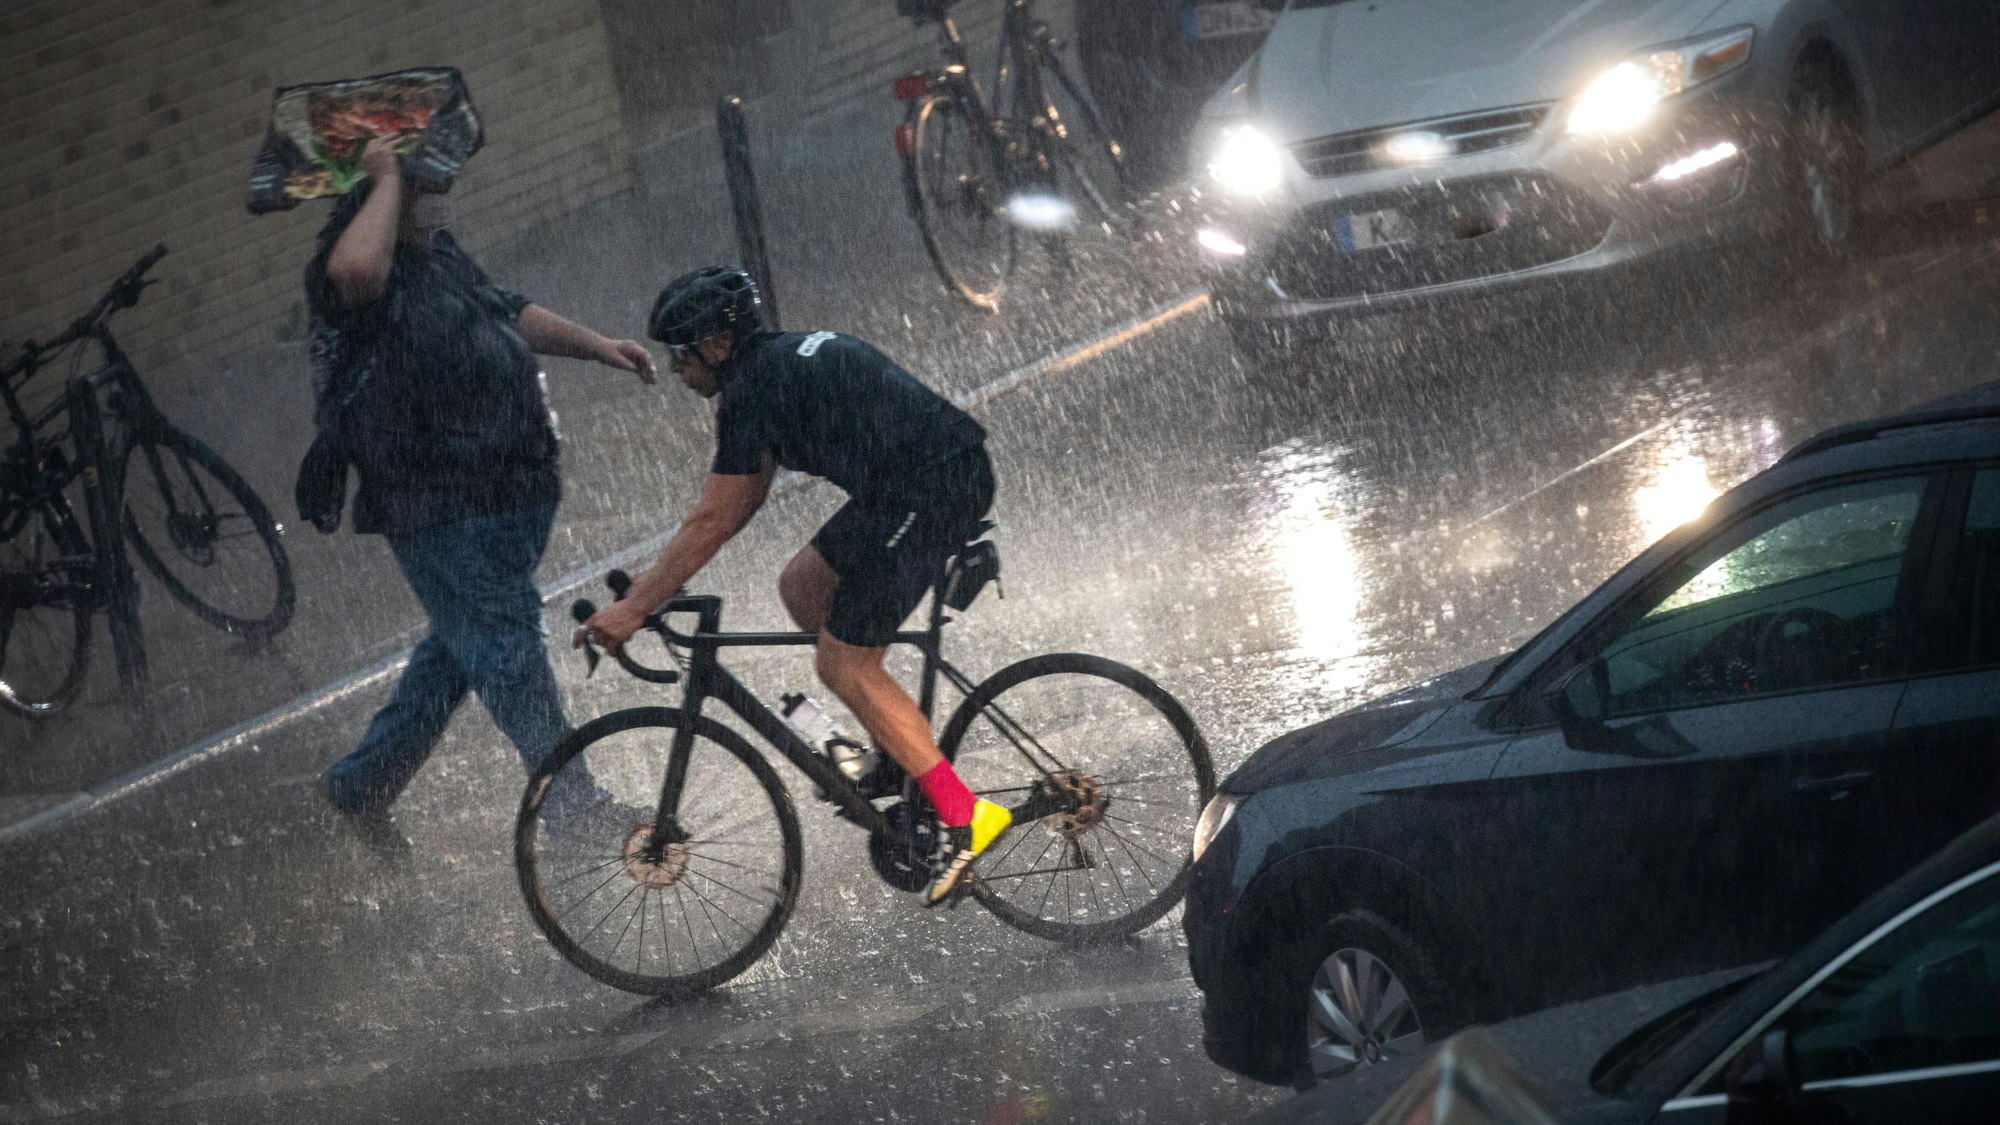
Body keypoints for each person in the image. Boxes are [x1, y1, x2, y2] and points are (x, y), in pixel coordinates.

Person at [575, 266, 1009, 905]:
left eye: (679, 353)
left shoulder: (751, 390)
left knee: (845, 666)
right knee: (803, 588)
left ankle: (966, 813)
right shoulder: (771, 367)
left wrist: (637, 608)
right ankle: (897, 750)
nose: (675, 370)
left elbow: (716, 516)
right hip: (915, 485)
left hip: (932, 492)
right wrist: (649, 589)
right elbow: (741, 498)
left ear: (717, 345)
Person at [311, 136, 656, 843]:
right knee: (506, 650)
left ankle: (361, 782)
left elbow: (504, 309)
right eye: (422, 188)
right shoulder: (346, 267)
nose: (436, 199)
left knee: (461, 646)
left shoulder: (435, 253)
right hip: (438, 503)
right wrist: (382, 179)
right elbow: (356, 270)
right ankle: (574, 809)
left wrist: (598, 346)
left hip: (504, 491)